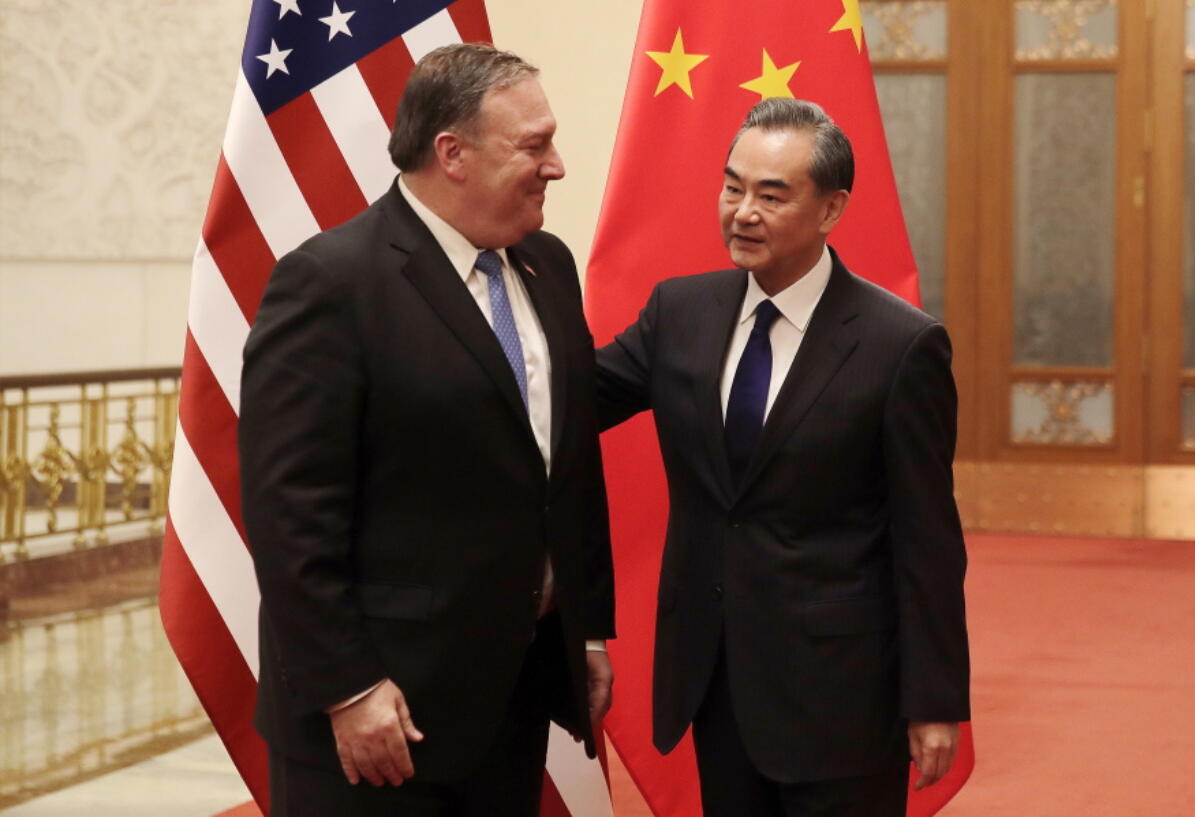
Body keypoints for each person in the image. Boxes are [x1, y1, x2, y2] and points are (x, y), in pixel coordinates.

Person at [238, 43, 614, 817]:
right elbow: (288, 515)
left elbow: (563, 464)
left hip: (508, 702)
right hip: (382, 720)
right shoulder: (331, 282)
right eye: (534, 145)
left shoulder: (547, 263)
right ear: (453, 154)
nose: (558, 166)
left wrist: (586, 628)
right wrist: (349, 687)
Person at [596, 98, 970, 817]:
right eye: (733, 187)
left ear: (831, 210)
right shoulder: (680, 312)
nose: (742, 212)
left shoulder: (900, 347)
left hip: (843, 694)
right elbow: (571, 401)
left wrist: (934, 701)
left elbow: (927, 541)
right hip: (716, 676)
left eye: (771, 195)